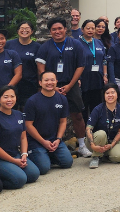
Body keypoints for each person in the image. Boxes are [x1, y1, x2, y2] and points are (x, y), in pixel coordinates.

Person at [34, 17, 91, 157]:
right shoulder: (45, 47)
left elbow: (81, 66)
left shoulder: (75, 44)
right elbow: (40, 68)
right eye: (54, 29)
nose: (57, 31)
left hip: (71, 85)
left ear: (66, 29)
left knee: (77, 115)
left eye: (60, 28)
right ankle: (49, 146)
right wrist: (51, 86)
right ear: (50, 32)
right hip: (50, 87)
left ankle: (82, 146)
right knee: (50, 117)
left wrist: (70, 85)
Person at [0, 86, 40, 189]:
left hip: (15, 154)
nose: (9, 100)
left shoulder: (19, 114)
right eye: (5, 97)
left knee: (33, 174)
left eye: (12, 96)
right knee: (20, 180)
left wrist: (24, 154)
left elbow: (23, 138)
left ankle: (12, 170)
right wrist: (13, 161)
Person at [24, 72, 73, 174]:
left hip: (54, 140)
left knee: (67, 162)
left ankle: (48, 154)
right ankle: (39, 155)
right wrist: (43, 142)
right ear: (40, 83)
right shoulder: (32, 101)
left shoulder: (62, 99)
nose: (49, 82)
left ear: (56, 82)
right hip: (37, 141)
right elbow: (28, 125)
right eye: (46, 80)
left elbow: (63, 121)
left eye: (52, 80)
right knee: (44, 168)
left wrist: (59, 139)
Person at [85, 83, 120, 168]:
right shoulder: (98, 109)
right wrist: (93, 145)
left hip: (111, 141)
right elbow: (88, 128)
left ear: (117, 94)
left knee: (119, 157)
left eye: (113, 92)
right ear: (104, 95)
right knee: (101, 133)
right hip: (95, 140)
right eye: (107, 93)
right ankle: (96, 156)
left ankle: (104, 155)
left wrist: (112, 145)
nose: (110, 95)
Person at [6, 21, 42, 107]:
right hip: (11, 83)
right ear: (17, 31)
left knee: (27, 110)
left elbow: (39, 68)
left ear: (32, 31)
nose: (24, 30)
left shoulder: (37, 47)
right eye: (22, 28)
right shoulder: (9, 44)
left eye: (27, 28)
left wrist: (40, 85)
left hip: (30, 85)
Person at [79, 20, 108, 119]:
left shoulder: (98, 42)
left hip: (97, 79)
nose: (90, 30)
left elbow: (104, 60)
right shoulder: (77, 43)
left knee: (96, 107)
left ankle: (95, 130)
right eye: (88, 28)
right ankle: (84, 132)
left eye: (92, 28)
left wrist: (105, 75)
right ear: (82, 29)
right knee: (83, 108)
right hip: (83, 80)